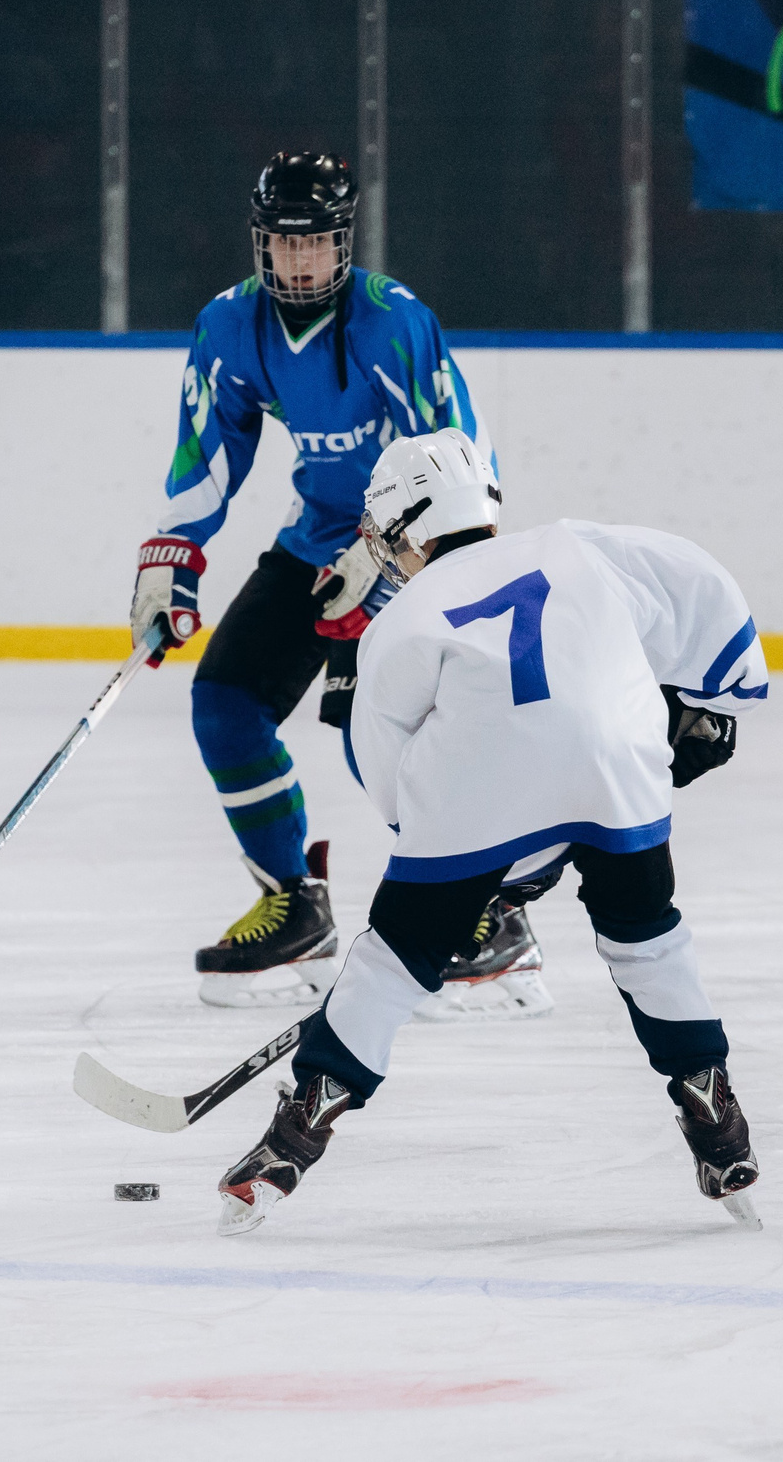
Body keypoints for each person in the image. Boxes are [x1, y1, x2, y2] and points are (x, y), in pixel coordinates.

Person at [214, 428, 769, 1236]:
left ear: (406, 526)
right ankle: (714, 1113)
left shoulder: (400, 619)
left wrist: (479, 875)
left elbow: (386, 772)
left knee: (391, 961)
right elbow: (699, 583)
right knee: (647, 937)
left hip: (477, 801)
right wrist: (722, 700)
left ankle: (295, 1136)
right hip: (621, 767)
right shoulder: (581, 545)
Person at [132, 151, 545, 1018]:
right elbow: (207, 454)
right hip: (318, 546)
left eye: (315, 242)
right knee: (226, 703)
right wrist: (171, 555)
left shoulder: (392, 322)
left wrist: (385, 555)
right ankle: (296, 905)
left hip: (420, 553)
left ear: (343, 242)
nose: (299, 261)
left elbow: (460, 461)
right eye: (284, 244)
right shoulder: (230, 327)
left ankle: (491, 910)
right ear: (261, 245)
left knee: (381, 740)